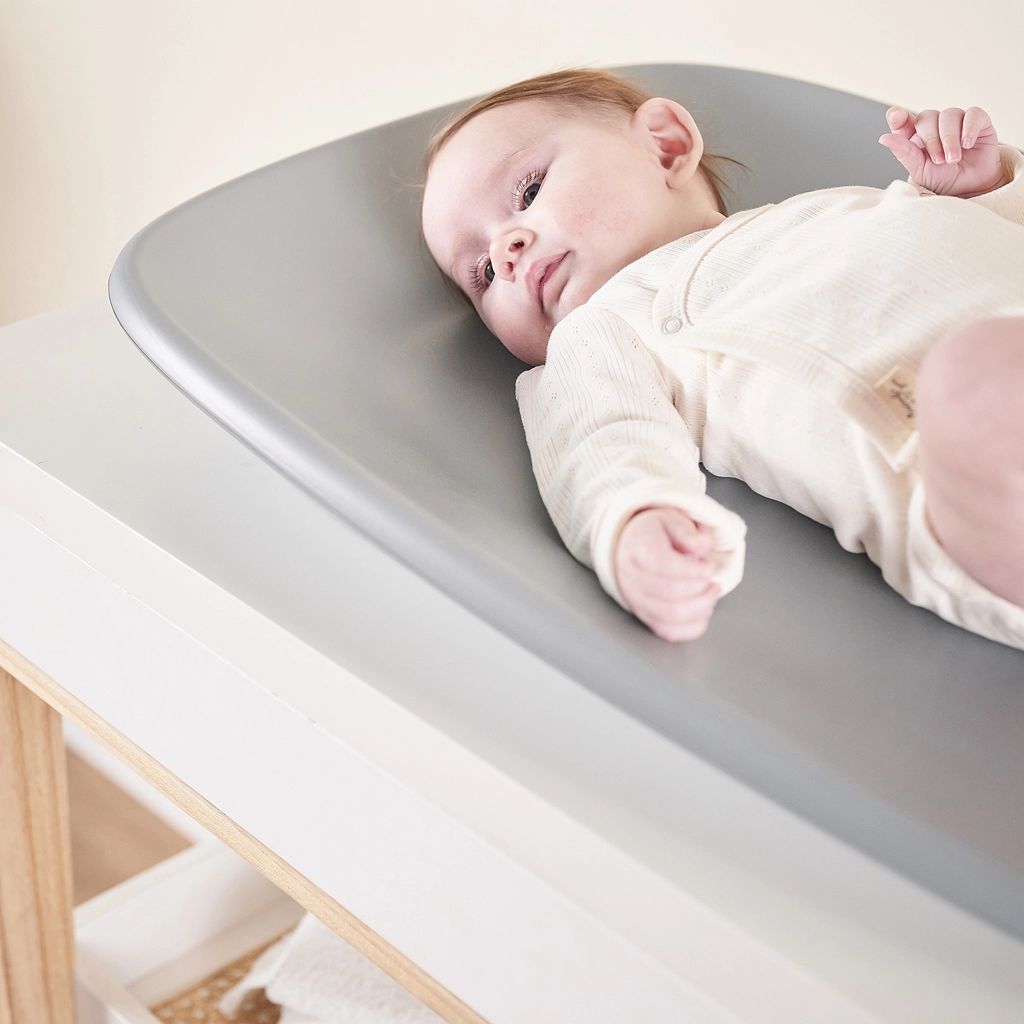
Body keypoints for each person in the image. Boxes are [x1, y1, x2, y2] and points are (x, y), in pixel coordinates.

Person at [420, 69, 1024, 647]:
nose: (506, 251)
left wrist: (979, 193)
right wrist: (633, 519)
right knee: (973, 376)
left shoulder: (829, 208)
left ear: (665, 147)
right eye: (482, 272)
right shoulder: (605, 327)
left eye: (528, 192)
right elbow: (597, 436)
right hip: (975, 483)